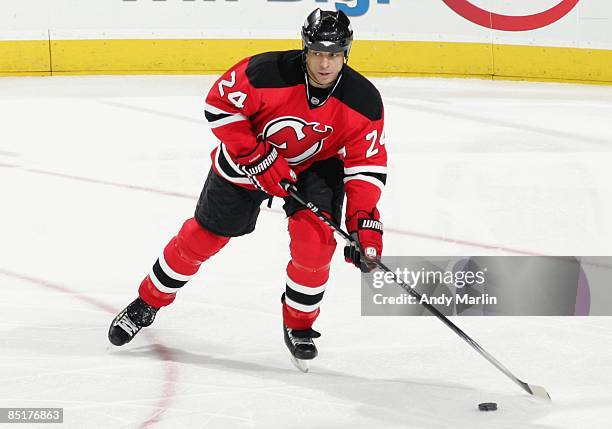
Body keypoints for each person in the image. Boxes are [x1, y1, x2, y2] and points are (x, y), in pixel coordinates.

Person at [108, 8, 387, 370]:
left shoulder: (363, 100)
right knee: (201, 238)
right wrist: (255, 153)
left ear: (345, 53)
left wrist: (364, 221)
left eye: (333, 55)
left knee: (316, 244)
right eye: (317, 52)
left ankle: (299, 326)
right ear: (305, 49)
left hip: (315, 168)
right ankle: (148, 302)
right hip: (247, 159)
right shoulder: (264, 72)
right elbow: (218, 104)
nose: (324, 63)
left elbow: (366, 165)